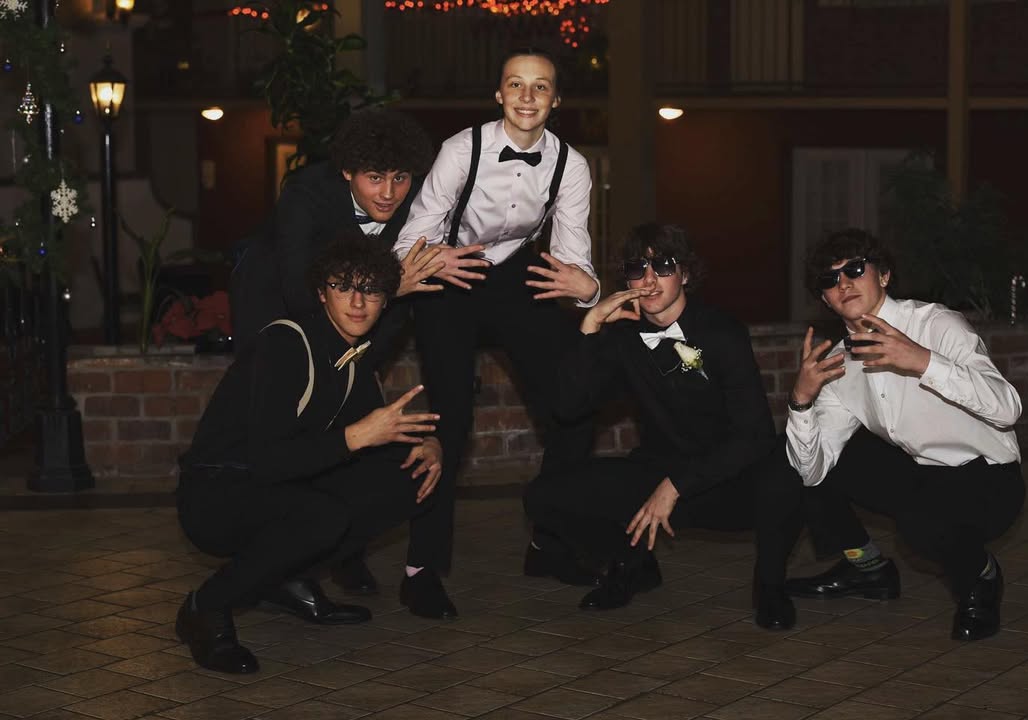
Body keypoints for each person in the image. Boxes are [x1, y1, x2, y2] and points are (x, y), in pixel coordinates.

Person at [175, 231, 444, 674]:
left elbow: (370, 441)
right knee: (322, 515)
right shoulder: (286, 343)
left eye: (371, 290)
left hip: (279, 485)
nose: (357, 302)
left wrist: (427, 446)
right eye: (343, 286)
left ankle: (286, 579)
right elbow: (268, 461)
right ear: (321, 293)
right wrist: (356, 436)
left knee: (410, 476)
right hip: (216, 493)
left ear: (385, 300)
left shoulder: (353, 360)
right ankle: (205, 607)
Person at [392, 47, 601, 594]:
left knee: (574, 406)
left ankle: (550, 543)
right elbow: (410, 236)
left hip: (515, 275)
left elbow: (573, 260)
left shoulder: (572, 165)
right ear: (499, 94)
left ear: (556, 99)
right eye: (515, 84)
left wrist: (590, 290)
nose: (527, 96)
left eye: (540, 86)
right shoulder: (462, 149)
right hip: (452, 272)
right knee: (450, 418)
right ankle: (422, 568)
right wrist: (431, 258)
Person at [524, 223, 803, 629]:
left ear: (685, 273)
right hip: (658, 471)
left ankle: (771, 587)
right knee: (543, 497)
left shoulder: (721, 331)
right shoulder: (624, 336)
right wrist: (590, 325)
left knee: (787, 474)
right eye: (638, 269)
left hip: (727, 478)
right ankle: (631, 564)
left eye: (664, 267)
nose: (650, 280)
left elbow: (754, 435)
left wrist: (676, 486)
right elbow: (568, 408)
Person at [784, 228, 1025, 641]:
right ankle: (868, 568)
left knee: (919, 526)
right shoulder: (839, 363)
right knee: (799, 454)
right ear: (824, 298)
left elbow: (1008, 409)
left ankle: (981, 576)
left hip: (986, 476)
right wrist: (801, 401)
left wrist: (924, 362)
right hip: (920, 473)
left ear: (884, 275)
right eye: (830, 279)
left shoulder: (936, 325)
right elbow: (812, 472)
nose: (843, 283)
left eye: (855, 269)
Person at [231, 107, 445, 349]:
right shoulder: (305, 194)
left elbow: (399, 302)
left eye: (399, 178)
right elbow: (296, 289)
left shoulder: (417, 201)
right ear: (347, 171)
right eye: (375, 178)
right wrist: (388, 290)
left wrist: (366, 364)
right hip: (269, 296)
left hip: (356, 309)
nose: (389, 193)